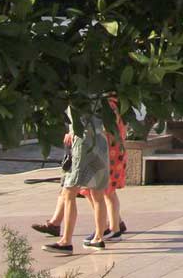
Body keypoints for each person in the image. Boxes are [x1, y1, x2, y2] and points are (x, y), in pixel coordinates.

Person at [41, 108, 110, 255]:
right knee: (97, 193)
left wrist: (73, 131)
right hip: (100, 141)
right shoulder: (103, 91)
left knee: (69, 192)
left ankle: (66, 241)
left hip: (82, 141)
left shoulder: (76, 91)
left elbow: (79, 119)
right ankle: (98, 237)